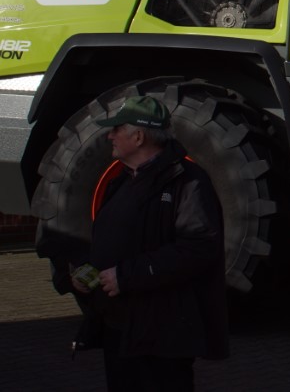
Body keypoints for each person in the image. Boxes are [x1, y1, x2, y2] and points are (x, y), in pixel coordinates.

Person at [69, 95, 228, 391]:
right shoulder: (122, 181)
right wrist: (85, 271)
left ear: (139, 136)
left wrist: (127, 275)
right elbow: (112, 240)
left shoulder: (188, 182)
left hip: (162, 334)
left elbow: (198, 248)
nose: (110, 136)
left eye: (117, 129)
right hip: (121, 329)